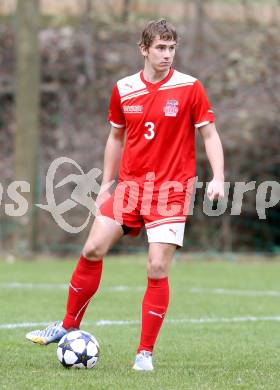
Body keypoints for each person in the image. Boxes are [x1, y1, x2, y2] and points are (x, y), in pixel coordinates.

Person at [26, 19, 224, 371]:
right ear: (143, 49)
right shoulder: (124, 89)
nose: (167, 54)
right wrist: (107, 182)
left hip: (171, 190)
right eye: (160, 48)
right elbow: (116, 137)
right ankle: (68, 324)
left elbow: (209, 135)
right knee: (92, 248)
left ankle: (144, 353)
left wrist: (218, 178)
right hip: (130, 187)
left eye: (171, 47)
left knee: (157, 266)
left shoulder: (190, 87)